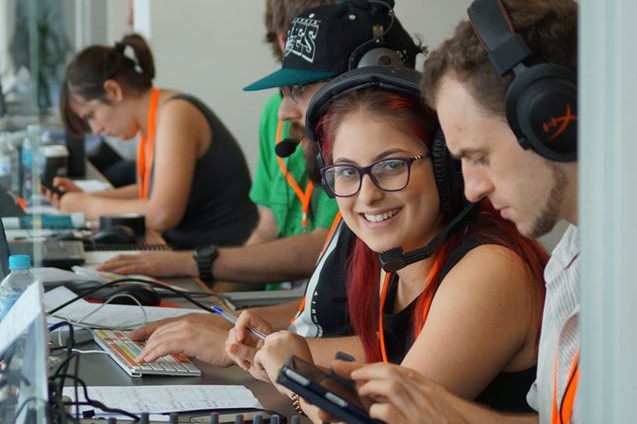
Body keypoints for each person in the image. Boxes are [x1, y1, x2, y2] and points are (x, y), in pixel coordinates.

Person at [223, 65, 549, 421]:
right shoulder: (389, 260)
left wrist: (293, 376)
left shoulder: (490, 270)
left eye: (391, 166)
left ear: (446, 168)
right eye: (346, 171)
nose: (368, 194)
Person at [116, 0, 423, 368]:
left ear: (364, 87)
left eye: (301, 89)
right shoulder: (353, 191)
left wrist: (250, 345)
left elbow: (407, 357)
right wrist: (224, 317)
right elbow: (320, 309)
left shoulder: (396, 204)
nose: (283, 111)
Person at [328, 0, 580, 423]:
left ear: (551, 119)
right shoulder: (572, 263)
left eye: (479, 156)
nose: (472, 188)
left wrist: (446, 414)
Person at [47, 33, 257, 250]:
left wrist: (89, 207)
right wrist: (87, 197)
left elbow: (162, 214)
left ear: (113, 91)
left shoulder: (176, 114)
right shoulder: (153, 119)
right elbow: (150, 191)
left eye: (91, 115)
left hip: (223, 268)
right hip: (192, 256)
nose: (96, 129)